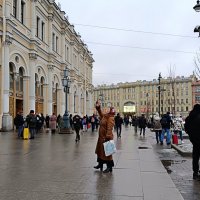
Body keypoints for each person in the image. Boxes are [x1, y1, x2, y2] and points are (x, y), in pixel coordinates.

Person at [94, 100, 115, 173]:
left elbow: (110, 127)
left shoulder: (110, 118)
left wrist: (108, 136)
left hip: (106, 138)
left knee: (108, 153)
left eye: (108, 109)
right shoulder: (105, 116)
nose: (106, 109)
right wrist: (98, 107)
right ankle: (100, 164)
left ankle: (109, 167)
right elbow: (100, 113)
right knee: (100, 152)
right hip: (101, 137)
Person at [184, 104, 200, 180]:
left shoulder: (190, 117)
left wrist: (190, 134)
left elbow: (186, 128)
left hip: (194, 140)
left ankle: (195, 173)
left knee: (195, 157)